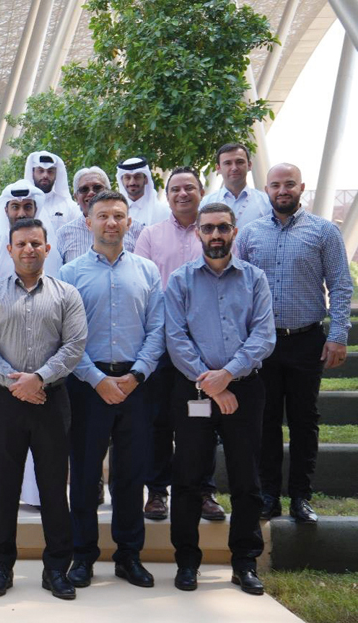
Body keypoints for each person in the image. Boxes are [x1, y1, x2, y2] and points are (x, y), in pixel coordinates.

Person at [0, 218, 87, 600]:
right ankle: (1, 567)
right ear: (9, 249)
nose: (29, 250)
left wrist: (38, 379)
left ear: (47, 249)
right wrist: (15, 382)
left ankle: (56, 569)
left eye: (36, 243)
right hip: (6, 402)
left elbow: (74, 345)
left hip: (53, 401)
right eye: (21, 243)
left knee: (54, 487)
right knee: (4, 487)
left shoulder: (66, 294)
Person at [165, 203, 275, 595]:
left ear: (235, 231)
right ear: (197, 232)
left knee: (246, 479)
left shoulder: (255, 279)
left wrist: (227, 376)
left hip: (243, 389)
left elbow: (264, 335)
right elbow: (175, 339)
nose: (216, 235)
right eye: (209, 228)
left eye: (223, 228)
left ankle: (244, 563)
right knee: (189, 477)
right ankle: (187, 563)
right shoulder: (180, 280)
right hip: (193, 388)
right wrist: (212, 384)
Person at [58, 191, 165, 590]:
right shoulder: (70, 275)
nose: (111, 223)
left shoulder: (148, 271)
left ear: (129, 222)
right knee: (85, 474)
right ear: (88, 222)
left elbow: (159, 329)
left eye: (118, 216)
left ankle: (128, 555)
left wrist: (136, 375)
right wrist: (97, 379)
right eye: (102, 215)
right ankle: (83, 556)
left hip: (136, 385)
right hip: (88, 386)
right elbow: (66, 337)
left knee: (130, 474)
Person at [235, 163, 353, 523]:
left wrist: (338, 335)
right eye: (275, 185)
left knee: (305, 420)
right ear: (266, 190)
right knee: (266, 421)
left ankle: (301, 496)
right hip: (264, 344)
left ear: (301, 187)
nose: (282, 190)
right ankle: (270, 495)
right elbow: (237, 288)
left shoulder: (324, 232)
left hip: (307, 340)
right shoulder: (250, 234)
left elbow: (341, 285)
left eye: (289, 184)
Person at [135, 167, 225, 522]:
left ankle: (204, 490)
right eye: (175, 189)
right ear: (167, 195)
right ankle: (157, 492)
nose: (182, 193)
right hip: (160, 345)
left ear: (202, 191)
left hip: (205, 347)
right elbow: (144, 288)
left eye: (189, 187)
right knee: (157, 420)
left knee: (202, 420)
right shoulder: (150, 235)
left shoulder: (214, 234)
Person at [0, 180, 53, 510]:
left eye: (27, 208)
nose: (20, 213)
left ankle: (35, 496)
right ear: (5, 210)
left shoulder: (51, 250)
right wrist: (7, 373)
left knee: (44, 442)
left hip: (43, 367)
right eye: (15, 208)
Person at [56, 166, 141, 264]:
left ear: (109, 192)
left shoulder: (136, 229)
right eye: (84, 189)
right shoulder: (63, 234)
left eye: (97, 188)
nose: (91, 193)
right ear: (76, 197)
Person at [201, 143, 271, 227]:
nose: (234, 168)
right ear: (218, 168)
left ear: (249, 165)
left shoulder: (266, 202)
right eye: (227, 163)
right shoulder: (206, 203)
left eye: (240, 162)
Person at [23, 150, 83, 237]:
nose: (45, 175)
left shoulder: (69, 206)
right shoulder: (22, 205)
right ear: (32, 173)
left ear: (56, 174)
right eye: (41, 171)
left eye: (50, 171)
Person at [116, 157, 169, 226]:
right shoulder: (114, 211)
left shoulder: (163, 211)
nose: (132, 182)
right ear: (121, 181)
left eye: (137, 177)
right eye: (127, 178)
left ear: (146, 179)